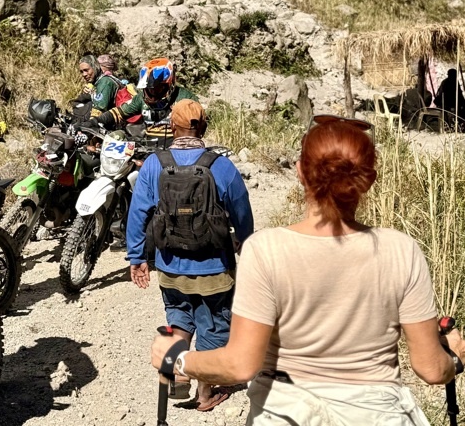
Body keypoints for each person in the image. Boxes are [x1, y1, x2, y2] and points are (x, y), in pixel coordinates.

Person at [150, 114, 465, 425]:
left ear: (300, 172)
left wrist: (176, 358)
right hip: (377, 414)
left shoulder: (265, 250)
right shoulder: (402, 250)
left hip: (285, 414)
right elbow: (432, 370)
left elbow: (240, 364)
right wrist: (453, 355)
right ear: (369, 179)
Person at [129, 99, 254, 411]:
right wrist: (244, 242)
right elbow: (242, 211)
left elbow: (137, 215)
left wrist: (137, 258)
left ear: (172, 126)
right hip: (215, 269)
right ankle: (205, 392)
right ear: (204, 127)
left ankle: (179, 372)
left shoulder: (155, 164)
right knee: (213, 324)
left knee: (178, 317)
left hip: (170, 266)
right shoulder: (221, 166)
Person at [93, 57, 196, 139]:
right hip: (148, 147)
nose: (152, 92)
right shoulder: (141, 98)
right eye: (148, 89)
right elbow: (118, 113)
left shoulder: (185, 98)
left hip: (175, 148)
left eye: (157, 88)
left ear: (170, 84)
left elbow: (199, 125)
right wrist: (94, 122)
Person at [74, 53, 122, 120]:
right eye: (81, 71)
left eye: (86, 70)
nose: (84, 74)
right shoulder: (98, 82)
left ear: (95, 67)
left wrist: (87, 125)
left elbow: (98, 111)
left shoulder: (105, 82)